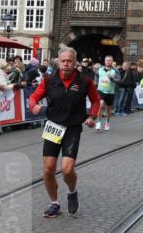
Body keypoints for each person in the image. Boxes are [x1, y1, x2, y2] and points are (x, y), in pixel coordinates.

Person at [27, 47, 100, 217]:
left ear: (75, 62)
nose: (66, 64)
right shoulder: (49, 80)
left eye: (69, 61)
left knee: (67, 170)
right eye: (63, 61)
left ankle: (72, 191)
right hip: (53, 126)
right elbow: (33, 97)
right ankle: (54, 203)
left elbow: (96, 101)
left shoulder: (85, 81)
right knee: (48, 169)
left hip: (73, 127)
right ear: (58, 62)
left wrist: (91, 117)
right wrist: (34, 106)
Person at [95, 55, 119, 131]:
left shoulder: (115, 71)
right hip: (101, 90)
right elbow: (96, 77)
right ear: (104, 61)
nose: (108, 62)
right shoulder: (100, 69)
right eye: (106, 60)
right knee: (101, 105)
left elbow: (119, 80)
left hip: (110, 92)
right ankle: (98, 122)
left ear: (112, 61)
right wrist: (95, 83)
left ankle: (107, 122)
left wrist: (112, 78)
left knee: (108, 109)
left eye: (109, 60)